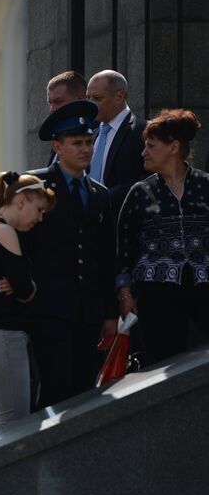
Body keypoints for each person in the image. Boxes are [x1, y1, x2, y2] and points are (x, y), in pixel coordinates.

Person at [20, 100, 118, 408]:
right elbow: (18, 242)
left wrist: (110, 312)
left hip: (87, 312)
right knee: (53, 389)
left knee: (83, 391)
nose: (86, 149)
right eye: (77, 143)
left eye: (89, 142)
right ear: (58, 147)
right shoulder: (35, 185)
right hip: (48, 309)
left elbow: (106, 257)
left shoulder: (100, 194)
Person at [117, 108, 209, 365]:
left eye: (150, 146)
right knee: (162, 360)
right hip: (156, 293)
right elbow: (124, 247)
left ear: (174, 147)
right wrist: (125, 294)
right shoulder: (140, 192)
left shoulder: (205, 185)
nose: (143, 153)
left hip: (204, 288)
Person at [0, 172, 55, 430]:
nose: (39, 219)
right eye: (38, 209)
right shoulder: (5, 231)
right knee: (15, 427)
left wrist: (19, 284)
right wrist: (26, 284)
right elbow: (25, 290)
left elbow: (18, 286)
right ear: (20, 201)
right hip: (4, 336)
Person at [86, 70, 149, 215]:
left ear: (119, 96)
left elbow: (151, 177)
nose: (90, 104)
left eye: (97, 98)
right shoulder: (92, 134)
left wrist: (106, 198)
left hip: (124, 223)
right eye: (88, 98)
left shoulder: (143, 130)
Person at [45, 71, 88, 165]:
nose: (52, 109)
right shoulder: (58, 134)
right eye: (50, 103)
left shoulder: (98, 134)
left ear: (81, 99)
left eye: (58, 101)